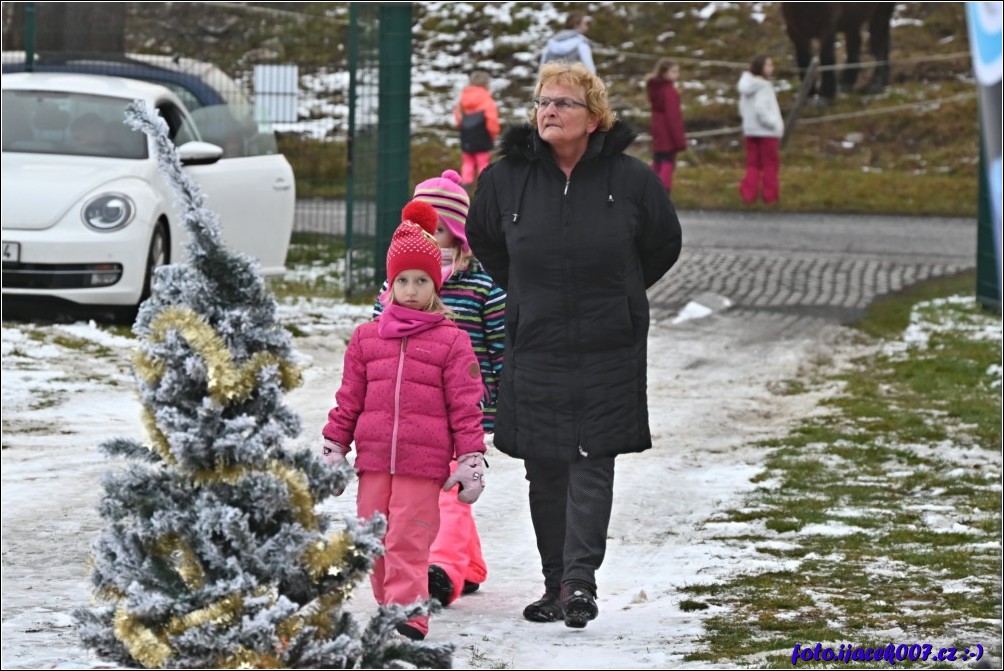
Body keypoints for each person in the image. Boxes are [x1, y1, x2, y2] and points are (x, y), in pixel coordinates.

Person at [465, 62, 682, 629]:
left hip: (608, 341)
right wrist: (530, 292)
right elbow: (486, 239)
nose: (549, 112)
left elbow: (663, 243)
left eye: (563, 103)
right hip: (535, 339)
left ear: (594, 118)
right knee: (545, 462)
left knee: (591, 458)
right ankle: (553, 581)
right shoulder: (505, 177)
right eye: (542, 102)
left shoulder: (631, 179)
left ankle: (579, 584)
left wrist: (619, 292)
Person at [322, 200, 487, 642]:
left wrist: (470, 457)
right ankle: (388, 605)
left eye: (421, 281)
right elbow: (348, 400)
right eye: (403, 281)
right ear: (390, 284)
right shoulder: (366, 339)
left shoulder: (451, 342)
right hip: (374, 460)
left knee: (408, 540)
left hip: (423, 464)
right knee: (372, 537)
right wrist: (335, 447)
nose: (411, 290)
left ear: (436, 285)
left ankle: (410, 612)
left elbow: (465, 406)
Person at [372, 168, 506, 608]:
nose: (425, 236)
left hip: (465, 410)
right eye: (416, 227)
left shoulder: (482, 286)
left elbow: (503, 346)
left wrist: (506, 396)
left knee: (449, 490)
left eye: (435, 228)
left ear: (455, 231)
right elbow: (379, 343)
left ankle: (442, 572)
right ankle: (469, 565)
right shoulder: (398, 284)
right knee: (443, 491)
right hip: (413, 411)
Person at [737, 54, 784, 204]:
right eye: (768, 65)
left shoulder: (746, 86)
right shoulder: (764, 86)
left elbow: (743, 108)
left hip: (751, 131)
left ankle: (748, 195)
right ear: (760, 68)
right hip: (766, 132)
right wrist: (774, 124)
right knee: (770, 165)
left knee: (753, 165)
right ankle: (770, 196)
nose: (771, 68)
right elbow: (761, 109)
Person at [454, 71, 501, 191]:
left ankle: (465, 185)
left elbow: (458, 115)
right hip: (482, 135)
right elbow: (492, 120)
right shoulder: (486, 99)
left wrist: (463, 126)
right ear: (486, 83)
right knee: (483, 162)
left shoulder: (463, 97)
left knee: (467, 161)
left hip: (467, 134)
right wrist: (493, 134)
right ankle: (484, 185)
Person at [646, 58, 687, 193]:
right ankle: (662, 189)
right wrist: (679, 139)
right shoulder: (669, 91)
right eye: (674, 72)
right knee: (667, 161)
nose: (677, 75)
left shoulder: (656, 88)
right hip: (668, 133)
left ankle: (645, 184)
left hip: (658, 130)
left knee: (658, 159)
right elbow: (673, 116)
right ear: (664, 73)